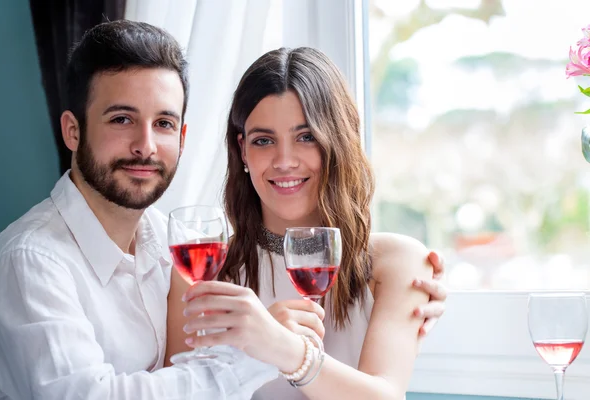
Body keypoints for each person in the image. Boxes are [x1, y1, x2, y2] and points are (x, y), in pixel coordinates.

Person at [0, 21, 318, 400]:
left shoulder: (167, 242)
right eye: (122, 119)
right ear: (72, 131)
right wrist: (258, 355)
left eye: (163, 123)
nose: (145, 147)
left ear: (181, 138)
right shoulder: (30, 262)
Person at [166, 47, 448, 400]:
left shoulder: (398, 262)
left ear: (338, 141)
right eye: (264, 140)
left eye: (306, 137)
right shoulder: (203, 272)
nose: (285, 161)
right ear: (243, 152)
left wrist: (284, 349)